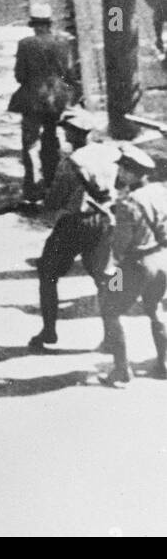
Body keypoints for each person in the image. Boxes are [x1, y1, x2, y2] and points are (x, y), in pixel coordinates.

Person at [27, 108, 120, 351]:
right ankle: (112, 336)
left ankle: (49, 331)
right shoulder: (111, 154)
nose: (65, 135)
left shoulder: (72, 162)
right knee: (105, 279)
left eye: (67, 131)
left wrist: (35, 205)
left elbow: (54, 202)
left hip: (75, 224)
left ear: (72, 133)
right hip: (104, 222)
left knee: (47, 274)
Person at [96, 144, 167, 387]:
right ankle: (164, 363)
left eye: (124, 170)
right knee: (156, 309)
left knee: (109, 309)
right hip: (161, 261)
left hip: (131, 266)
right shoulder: (161, 192)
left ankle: (121, 370)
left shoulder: (128, 203)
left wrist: (109, 272)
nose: (120, 174)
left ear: (134, 173)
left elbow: (119, 246)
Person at [8, 2, 77, 202]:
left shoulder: (25, 44)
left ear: (33, 24)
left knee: (30, 142)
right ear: (49, 23)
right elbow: (69, 74)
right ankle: (51, 182)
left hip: (31, 99)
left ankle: (32, 186)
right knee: (51, 137)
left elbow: (19, 75)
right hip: (56, 98)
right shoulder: (63, 43)